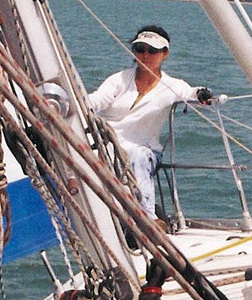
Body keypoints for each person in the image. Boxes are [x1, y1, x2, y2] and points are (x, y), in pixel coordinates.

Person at [87, 25, 213, 221]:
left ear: (165, 54)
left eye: (152, 51)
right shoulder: (119, 79)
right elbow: (97, 100)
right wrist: (75, 103)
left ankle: (148, 220)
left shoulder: (172, 85)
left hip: (144, 150)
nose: (145, 55)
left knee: (137, 156)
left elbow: (191, 93)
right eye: (140, 49)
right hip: (106, 147)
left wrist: (202, 94)